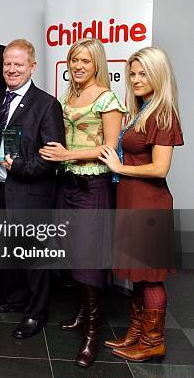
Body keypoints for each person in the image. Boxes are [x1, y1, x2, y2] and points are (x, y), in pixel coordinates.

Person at [39, 38, 126, 367]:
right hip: (67, 184)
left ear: (97, 64)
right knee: (73, 254)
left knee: (89, 258)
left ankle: (93, 333)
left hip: (92, 186)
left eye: (85, 61)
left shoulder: (108, 98)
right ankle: (81, 312)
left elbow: (110, 147)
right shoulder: (69, 95)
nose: (77, 66)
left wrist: (67, 154)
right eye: (74, 59)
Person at [99, 47, 183, 362]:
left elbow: (160, 168)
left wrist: (119, 169)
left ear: (157, 75)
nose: (135, 79)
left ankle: (153, 342)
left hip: (149, 203)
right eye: (132, 73)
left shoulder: (163, 113)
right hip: (133, 201)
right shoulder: (143, 110)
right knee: (139, 274)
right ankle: (137, 335)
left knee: (151, 276)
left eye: (143, 73)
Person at [0, 39, 65, 339]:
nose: (12, 69)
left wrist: (16, 167)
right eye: (8, 63)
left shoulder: (46, 104)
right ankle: (16, 300)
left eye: (19, 64)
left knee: (35, 259)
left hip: (31, 193)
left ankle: (36, 314)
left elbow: (52, 157)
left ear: (32, 66)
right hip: (1, 191)